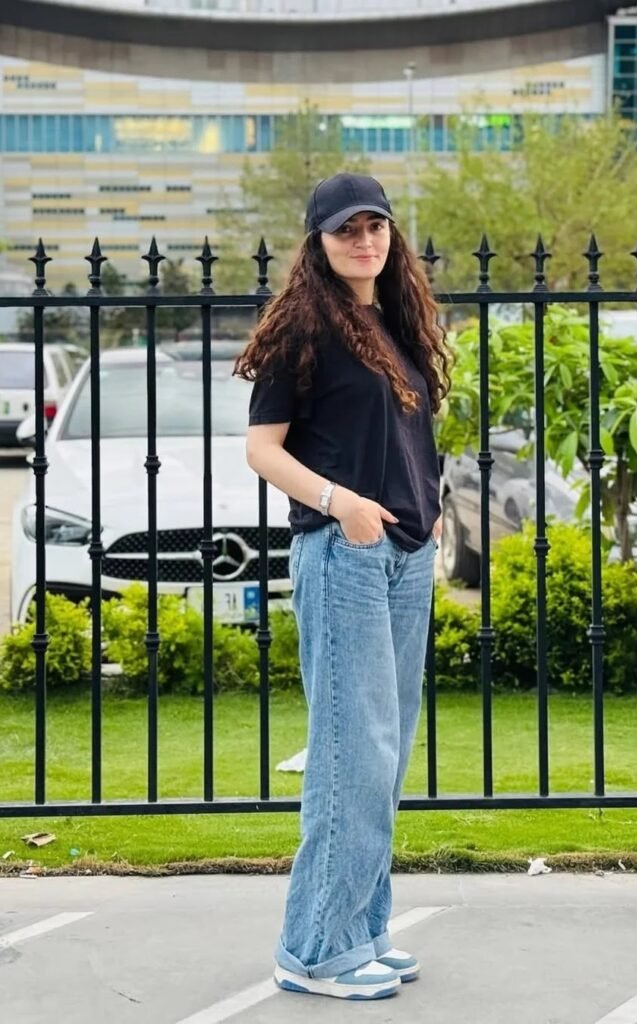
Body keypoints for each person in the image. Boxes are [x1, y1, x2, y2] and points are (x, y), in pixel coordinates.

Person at [234, 172, 451, 1001]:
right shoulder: (303, 327)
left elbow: (403, 432)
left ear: (391, 236)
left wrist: (425, 507)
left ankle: (361, 927)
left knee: (384, 754)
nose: (363, 241)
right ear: (317, 242)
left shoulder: (390, 323)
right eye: (344, 230)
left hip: (402, 554)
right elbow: (262, 448)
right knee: (349, 757)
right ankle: (313, 947)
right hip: (344, 554)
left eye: (375, 227)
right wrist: (341, 503)